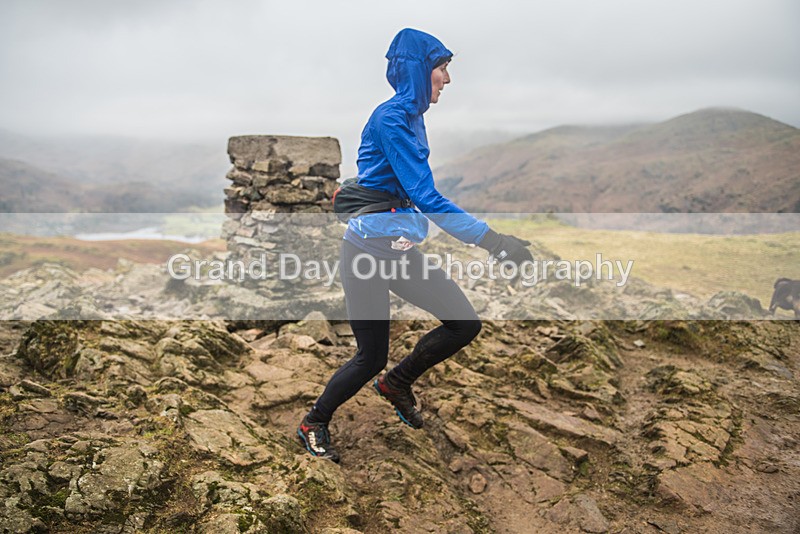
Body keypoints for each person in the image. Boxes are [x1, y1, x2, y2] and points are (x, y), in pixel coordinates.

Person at [297, 28, 532, 463]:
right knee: (370, 357)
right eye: (442, 68)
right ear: (419, 71)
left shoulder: (411, 116)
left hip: (400, 251)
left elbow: (408, 192)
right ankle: (314, 422)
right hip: (366, 254)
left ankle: (397, 383)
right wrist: (494, 242)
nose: (448, 78)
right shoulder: (391, 119)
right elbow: (426, 197)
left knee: (464, 324)